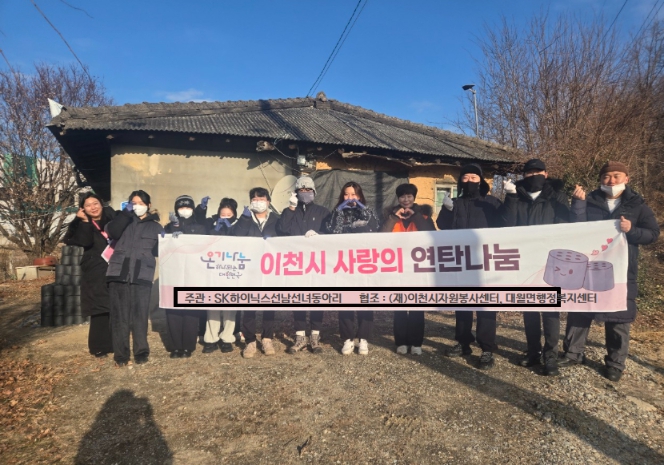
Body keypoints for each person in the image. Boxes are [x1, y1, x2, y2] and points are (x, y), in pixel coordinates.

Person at [560, 161, 659, 382]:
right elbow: (576, 229)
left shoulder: (638, 205)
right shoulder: (590, 201)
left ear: (626, 179)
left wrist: (632, 230)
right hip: (589, 266)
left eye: (616, 176)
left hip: (622, 270)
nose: (611, 181)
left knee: (618, 315)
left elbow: (653, 234)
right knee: (580, 308)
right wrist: (578, 204)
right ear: (600, 180)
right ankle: (573, 353)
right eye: (606, 177)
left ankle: (615, 363)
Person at [502, 159, 570, 376]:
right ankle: (533, 351)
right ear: (524, 176)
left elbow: (566, 226)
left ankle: (550, 355)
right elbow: (506, 225)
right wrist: (511, 197)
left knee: (550, 310)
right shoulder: (517, 196)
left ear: (546, 174)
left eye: (538, 172)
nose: (533, 176)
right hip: (525, 260)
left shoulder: (557, 196)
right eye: (529, 173)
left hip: (550, 261)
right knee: (529, 308)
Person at [437, 163, 504, 370]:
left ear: (481, 180)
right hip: (461, 261)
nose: (469, 181)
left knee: (485, 305)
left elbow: (505, 225)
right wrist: (447, 210)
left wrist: (511, 200)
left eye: (474, 178)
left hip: (486, 261)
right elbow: (443, 226)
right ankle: (463, 341)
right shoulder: (455, 203)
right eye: (465, 178)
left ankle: (487, 348)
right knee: (463, 303)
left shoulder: (491, 202)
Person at [105, 190, 163, 367]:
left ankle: (141, 352)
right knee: (119, 317)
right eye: (134, 203)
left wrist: (173, 235)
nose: (137, 206)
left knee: (140, 316)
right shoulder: (121, 220)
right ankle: (121, 355)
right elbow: (112, 232)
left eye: (141, 203)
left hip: (142, 274)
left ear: (148, 205)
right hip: (119, 273)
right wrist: (125, 214)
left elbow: (160, 251)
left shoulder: (156, 227)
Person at [325, 181, 381, 355]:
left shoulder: (368, 210)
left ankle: (363, 338)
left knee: (365, 300)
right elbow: (332, 231)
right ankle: (347, 338)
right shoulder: (337, 211)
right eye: (346, 194)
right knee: (346, 300)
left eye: (353, 194)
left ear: (359, 196)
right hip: (344, 264)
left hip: (364, 263)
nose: (350, 198)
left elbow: (375, 227)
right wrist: (339, 211)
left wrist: (362, 209)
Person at [277, 175, 331, 354]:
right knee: (298, 298)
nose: (305, 193)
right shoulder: (289, 211)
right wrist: (291, 208)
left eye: (308, 190)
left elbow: (331, 233)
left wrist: (320, 235)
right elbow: (281, 229)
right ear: (296, 193)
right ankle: (300, 336)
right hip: (297, 263)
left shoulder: (323, 212)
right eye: (301, 190)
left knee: (316, 298)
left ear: (314, 192)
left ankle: (315, 336)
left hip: (317, 263)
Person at [381, 183, 435, 356]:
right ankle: (401, 342)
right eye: (402, 196)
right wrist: (393, 218)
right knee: (400, 306)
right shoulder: (389, 215)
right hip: (397, 267)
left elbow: (432, 235)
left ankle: (416, 343)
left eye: (409, 196)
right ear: (398, 198)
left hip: (418, 268)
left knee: (417, 307)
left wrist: (416, 217)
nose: (406, 199)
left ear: (414, 197)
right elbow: (380, 237)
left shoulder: (424, 215)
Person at [63, 193, 117, 358]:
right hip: (95, 270)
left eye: (95, 203)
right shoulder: (80, 225)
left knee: (114, 307)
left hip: (115, 267)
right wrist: (85, 222)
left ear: (101, 204)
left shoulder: (112, 219)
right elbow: (84, 242)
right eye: (88, 205)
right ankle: (98, 346)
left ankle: (114, 342)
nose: (93, 207)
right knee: (99, 308)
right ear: (83, 209)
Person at [234, 187, 280, 358]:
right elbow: (235, 237)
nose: (258, 202)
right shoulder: (245, 219)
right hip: (249, 269)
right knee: (249, 305)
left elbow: (287, 238)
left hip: (270, 269)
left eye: (262, 199)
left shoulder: (277, 220)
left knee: (269, 304)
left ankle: (267, 338)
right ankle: (250, 341)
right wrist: (244, 219)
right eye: (255, 199)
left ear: (268, 202)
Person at [164, 195, 207, 358]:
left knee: (190, 310)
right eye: (181, 207)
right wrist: (172, 230)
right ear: (176, 210)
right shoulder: (168, 226)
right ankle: (175, 346)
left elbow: (205, 246)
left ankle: (188, 346)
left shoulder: (200, 227)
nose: (184, 210)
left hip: (194, 272)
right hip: (173, 272)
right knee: (173, 309)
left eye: (188, 207)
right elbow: (160, 248)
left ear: (193, 209)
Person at [202, 198, 242, 354]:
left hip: (232, 271)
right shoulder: (212, 227)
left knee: (230, 307)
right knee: (213, 305)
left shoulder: (238, 228)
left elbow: (242, 245)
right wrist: (215, 231)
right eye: (222, 214)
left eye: (228, 215)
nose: (225, 217)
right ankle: (210, 339)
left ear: (234, 215)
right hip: (214, 271)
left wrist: (231, 230)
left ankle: (227, 338)